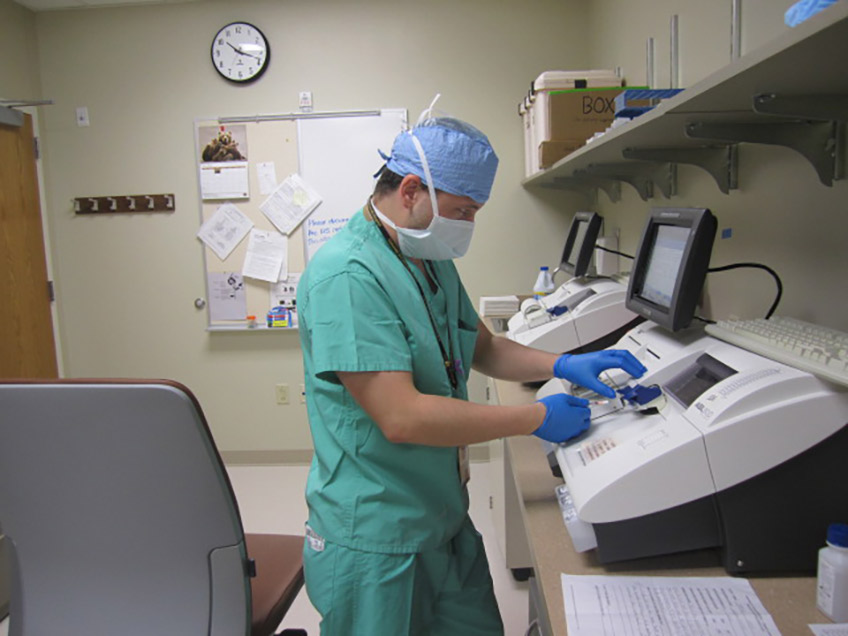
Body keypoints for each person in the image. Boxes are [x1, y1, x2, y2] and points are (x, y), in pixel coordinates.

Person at [296, 102, 647, 635]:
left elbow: (482, 347)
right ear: (410, 190)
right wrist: (534, 417)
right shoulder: (346, 275)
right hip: (377, 531)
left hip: (441, 513)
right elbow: (401, 417)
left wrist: (566, 362)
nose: (469, 225)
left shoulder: (424, 257)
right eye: (463, 210)